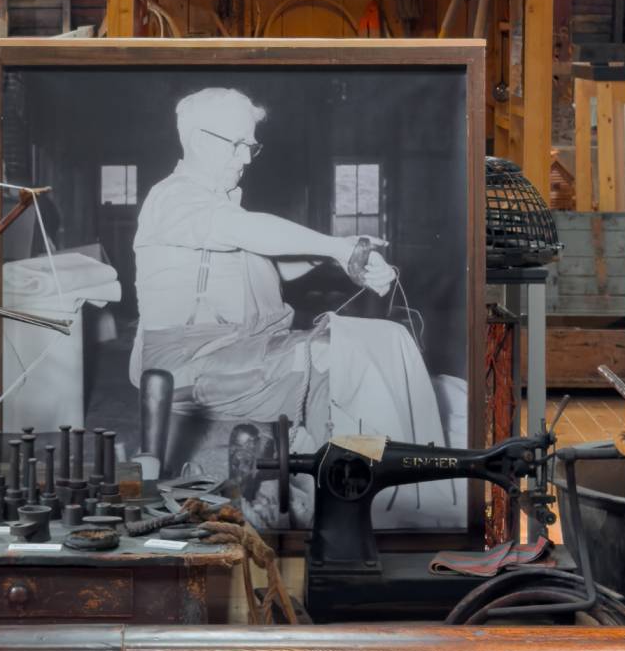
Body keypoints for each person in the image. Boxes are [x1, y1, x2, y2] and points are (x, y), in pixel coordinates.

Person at [128, 84, 442, 459]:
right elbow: (247, 231)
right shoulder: (175, 197)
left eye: (251, 146)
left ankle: (361, 468)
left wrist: (342, 251)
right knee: (335, 359)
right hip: (190, 363)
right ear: (199, 141)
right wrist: (336, 248)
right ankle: (348, 483)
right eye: (237, 144)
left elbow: (278, 267)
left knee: (376, 343)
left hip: (241, 350)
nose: (246, 157)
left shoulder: (219, 204)